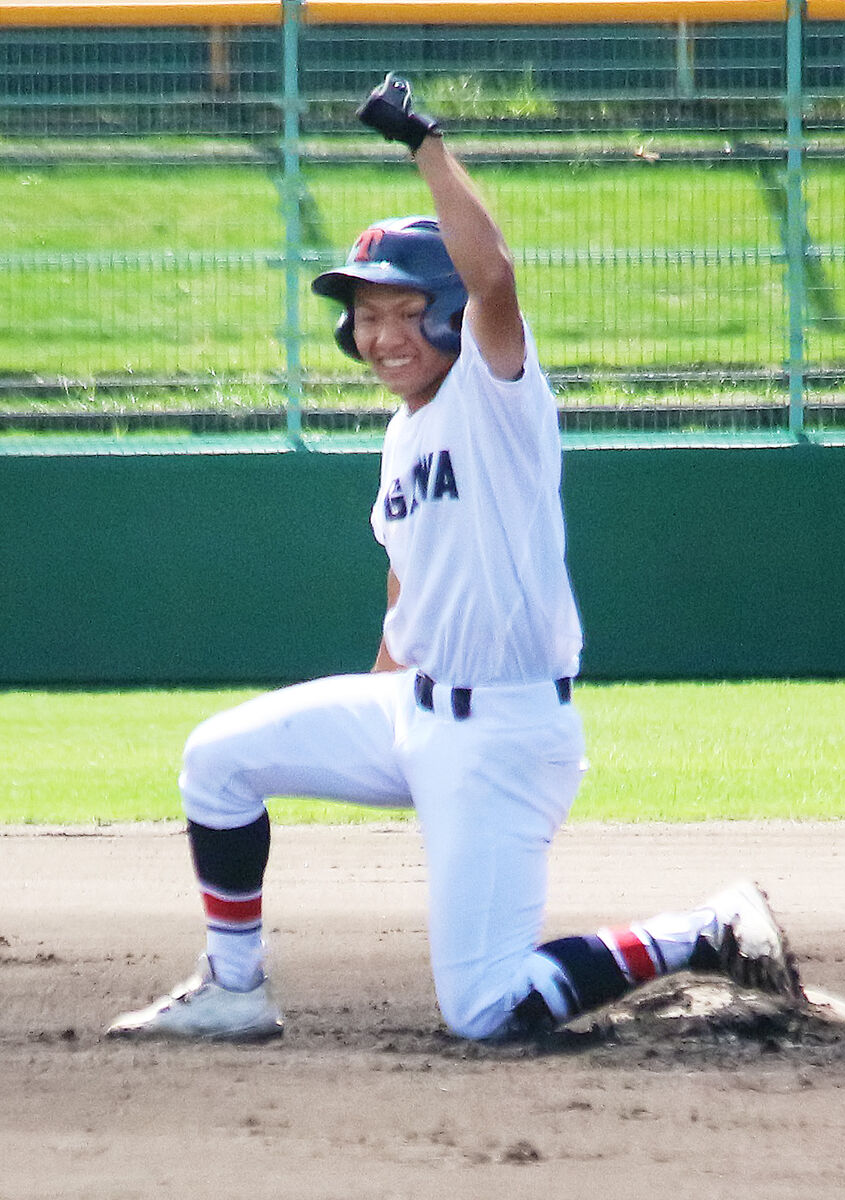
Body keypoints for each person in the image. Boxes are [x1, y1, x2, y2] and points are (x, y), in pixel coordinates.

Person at [106, 75, 803, 1045]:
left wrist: (425, 143)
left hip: (505, 731)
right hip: (417, 708)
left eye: (402, 310)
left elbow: (495, 277)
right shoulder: (403, 433)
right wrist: (380, 693)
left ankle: (706, 929)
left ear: (444, 316)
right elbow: (407, 572)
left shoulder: (495, 394)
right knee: (217, 758)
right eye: (365, 316)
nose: (381, 334)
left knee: (486, 1009)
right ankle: (234, 988)